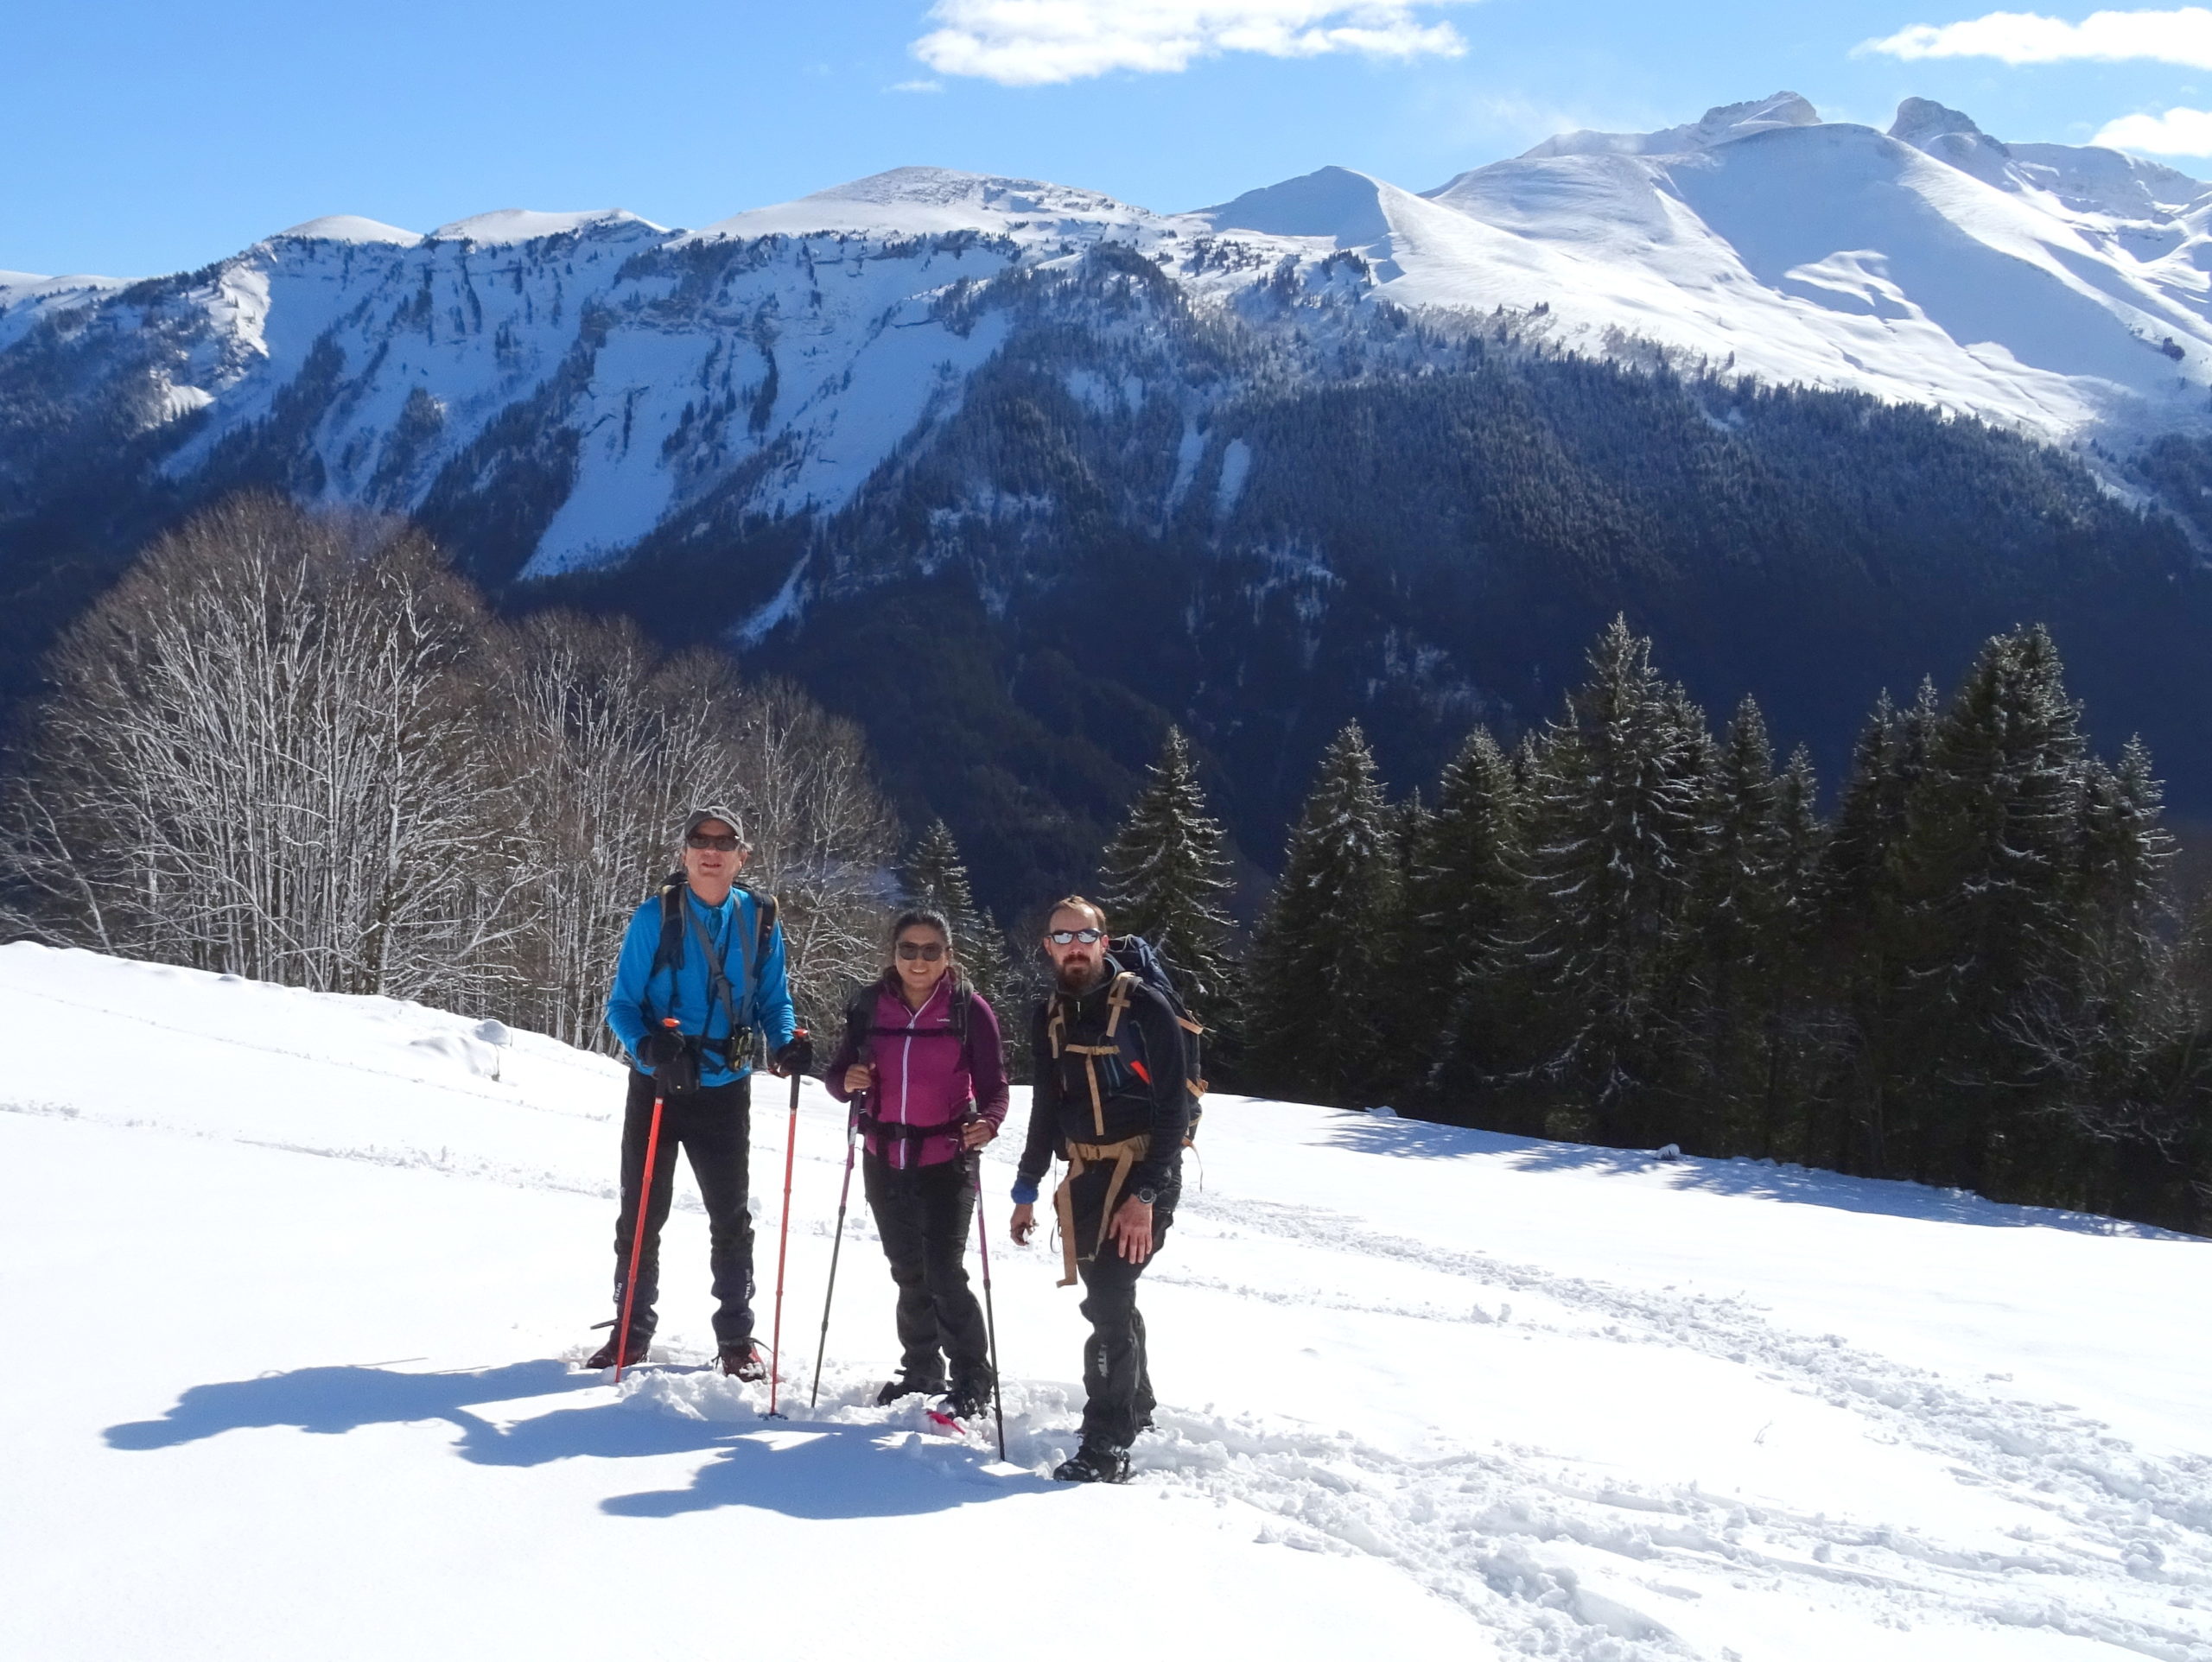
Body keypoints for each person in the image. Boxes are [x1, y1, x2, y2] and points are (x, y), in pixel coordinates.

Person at [587, 808, 810, 1379]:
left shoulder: (760, 920)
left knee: (730, 1218)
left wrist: (785, 1044)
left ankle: (736, 1340)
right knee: (641, 1215)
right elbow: (622, 1005)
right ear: (684, 853)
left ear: (742, 856)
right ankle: (630, 1332)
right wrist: (649, 1047)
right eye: (700, 840)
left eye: (724, 842)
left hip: (725, 1090)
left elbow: (774, 1002)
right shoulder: (655, 917)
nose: (711, 851)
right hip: (659, 1085)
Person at [1009, 897, 1191, 1483]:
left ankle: (1106, 1441)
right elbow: (1046, 1106)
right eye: (1062, 938)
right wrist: (1026, 1187)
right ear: (1048, 947)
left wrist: (1146, 1198)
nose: (1074, 948)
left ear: (1104, 941)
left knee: (1109, 1294)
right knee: (1109, 1293)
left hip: (1144, 1170)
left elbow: (1174, 1110)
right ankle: (1137, 1403)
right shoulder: (1049, 1015)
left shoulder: (1145, 1006)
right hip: (1085, 1174)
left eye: (1084, 936)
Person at [823, 909, 1008, 1419]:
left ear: (948, 956)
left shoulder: (968, 1009)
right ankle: (922, 1370)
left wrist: (989, 1123)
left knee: (944, 1272)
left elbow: (995, 1088)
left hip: (947, 1157)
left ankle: (972, 1378)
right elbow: (837, 1076)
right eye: (909, 949)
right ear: (894, 953)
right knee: (908, 1269)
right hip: (883, 1156)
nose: (919, 960)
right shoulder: (868, 1005)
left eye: (931, 950)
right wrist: (847, 1081)